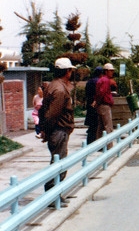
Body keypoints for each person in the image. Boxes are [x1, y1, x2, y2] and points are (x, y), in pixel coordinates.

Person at [38, 57, 76, 208]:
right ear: (67, 72)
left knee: (57, 162)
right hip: (59, 130)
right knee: (58, 164)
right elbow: (52, 114)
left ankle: (54, 195)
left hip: (57, 129)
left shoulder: (54, 85)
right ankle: (53, 196)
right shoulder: (59, 90)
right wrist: (47, 130)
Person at [93, 63, 116, 149]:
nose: (112, 72)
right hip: (104, 105)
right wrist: (98, 101)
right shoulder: (106, 80)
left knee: (101, 126)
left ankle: (99, 146)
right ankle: (109, 146)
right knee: (108, 126)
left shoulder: (101, 80)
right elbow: (101, 93)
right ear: (106, 71)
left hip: (101, 105)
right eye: (111, 71)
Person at [84, 66, 102, 144]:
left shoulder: (89, 81)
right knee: (97, 125)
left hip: (89, 104)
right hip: (96, 104)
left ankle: (89, 141)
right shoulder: (99, 81)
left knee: (91, 125)